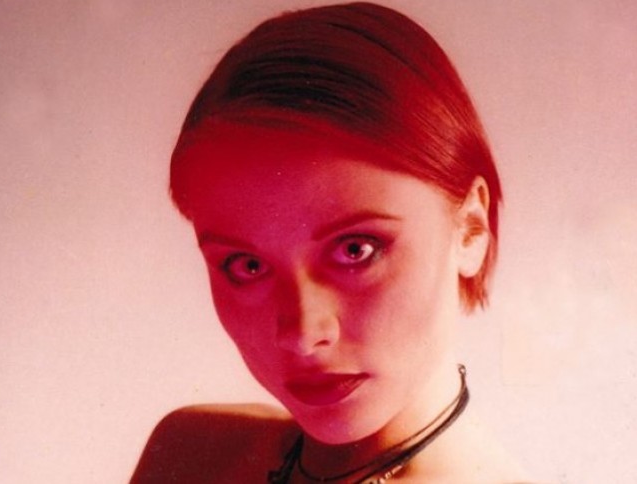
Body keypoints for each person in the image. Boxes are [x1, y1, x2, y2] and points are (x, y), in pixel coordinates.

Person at [132, 2, 531, 482]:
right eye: (246, 265)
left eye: (355, 250)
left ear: (470, 228)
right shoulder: (188, 454)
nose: (302, 334)